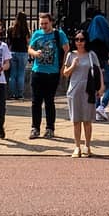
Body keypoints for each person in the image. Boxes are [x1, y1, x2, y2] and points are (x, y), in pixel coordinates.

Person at [26, 12, 65, 140]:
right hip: (37, 71)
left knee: (49, 101)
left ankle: (50, 128)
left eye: (45, 23)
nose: (43, 26)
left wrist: (63, 66)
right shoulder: (37, 34)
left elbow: (66, 49)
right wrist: (35, 53)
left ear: (51, 22)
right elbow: (30, 49)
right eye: (41, 23)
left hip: (52, 73)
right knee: (36, 102)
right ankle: (35, 128)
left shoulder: (59, 34)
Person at [61, 31, 99, 157]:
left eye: (82, 40)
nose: (79, 42)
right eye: (77, 39)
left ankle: (87, 145)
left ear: (86, 41)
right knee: (76, 120)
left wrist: (101, 87)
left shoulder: (91, 54)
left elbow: (98, 71)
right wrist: (73, 65)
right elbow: (65, 73)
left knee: (87, 120)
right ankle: (77, 147)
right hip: (74, 89)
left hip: (88, 89)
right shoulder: (71, 55)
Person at [86, 6, 109, 121]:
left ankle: (97, 110)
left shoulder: (90, 35)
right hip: (102, 63)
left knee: (97, 87)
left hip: (92, 64)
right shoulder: (102, 38)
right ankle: (102, 106)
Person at [5, 12, 31, 101]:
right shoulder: (26, 30)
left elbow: (8, 42)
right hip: (23, 52)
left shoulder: (11, 29)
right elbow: (28, 42)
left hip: (12, 52)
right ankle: (19, 94)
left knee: (12, 74)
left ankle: (12, 94)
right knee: (21, 73)